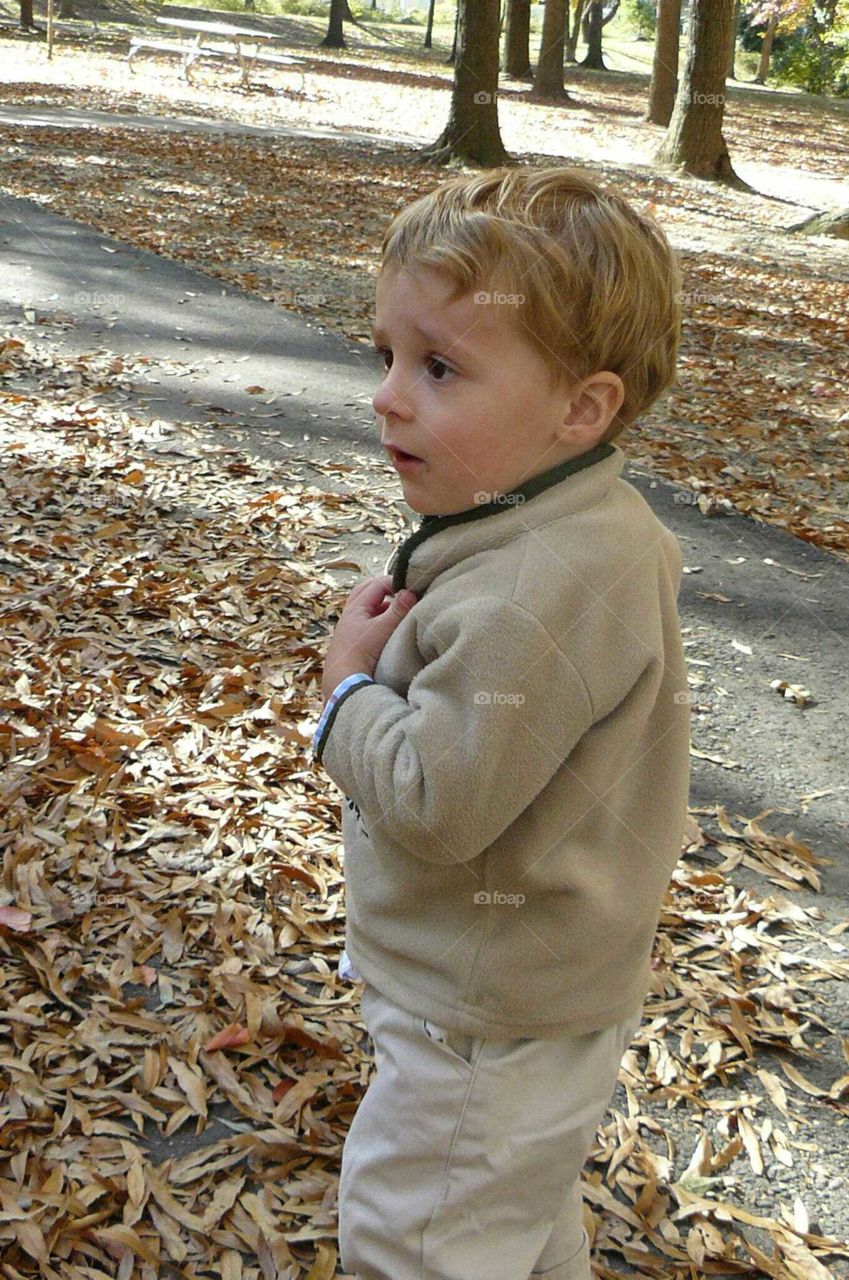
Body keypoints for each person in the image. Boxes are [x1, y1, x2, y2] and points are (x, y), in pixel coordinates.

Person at [310, 166, 691, 1280]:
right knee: (510, 1226)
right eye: (385, 353)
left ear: (583, 407)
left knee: (416, 1240)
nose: (387, 394)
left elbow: (440, 800)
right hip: (542, 987)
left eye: (438, 367)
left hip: (482, 1017)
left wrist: (346, 692)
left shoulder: (530, 587)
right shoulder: (595, 528)